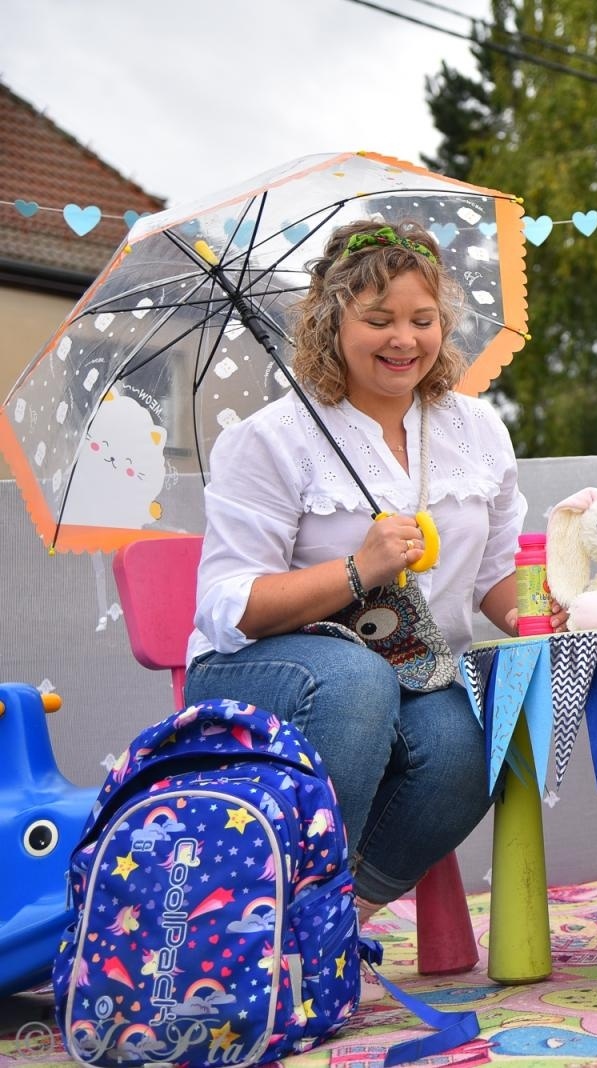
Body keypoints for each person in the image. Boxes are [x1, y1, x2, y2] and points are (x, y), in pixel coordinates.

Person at [184, 219, 527, 925]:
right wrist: (357, 569)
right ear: (330, 320)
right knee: (356, 679)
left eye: (422, 320)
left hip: (416, 670)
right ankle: (270, 907)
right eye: (379, 320)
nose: (404, 340)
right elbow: (229, 605)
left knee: (470, 739)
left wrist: (563, 613)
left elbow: (497, 578)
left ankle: (329, 925)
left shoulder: (476, 429)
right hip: (269, 672)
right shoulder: (273, 440)